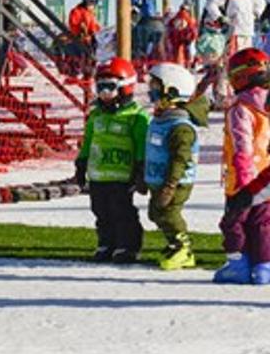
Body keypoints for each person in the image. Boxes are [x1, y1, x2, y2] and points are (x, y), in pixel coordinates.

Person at [74, 57, 149, 264]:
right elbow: (88, 141)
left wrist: (141, 169)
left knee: (121, 211)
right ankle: (106, 243)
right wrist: (81, 164)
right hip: (98, 174)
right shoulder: (96, 116)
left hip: (122, 175)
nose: (104, 93)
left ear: (125, 87)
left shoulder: (135, 116)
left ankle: (127, 245)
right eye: (100, 87)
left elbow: (141, 144)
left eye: (110, 87)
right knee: (100, 211)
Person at [214, 48, 270, 284]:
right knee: (262, 223)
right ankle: (264, 266)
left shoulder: (241, 109)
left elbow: (242, 146)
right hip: (265, 178)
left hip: (243, 179)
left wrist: (244, 184)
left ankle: (238, 263)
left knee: (234, 222)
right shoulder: (266, 106)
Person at [143, 64, 208, 270]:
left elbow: (180, 159)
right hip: (159, 179)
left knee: (168, 213)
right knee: (155, 213)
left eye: (155, 86)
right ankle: (173, 243)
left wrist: (170, 186)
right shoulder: (161, 120)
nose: (150, 90)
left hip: (175, 182)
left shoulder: (180, 127)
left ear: (172, 91)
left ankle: (183, 248)